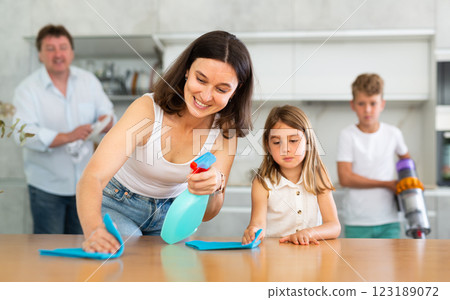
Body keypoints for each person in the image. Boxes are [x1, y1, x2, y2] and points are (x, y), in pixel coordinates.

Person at [76, 30, 254, 253]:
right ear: (187, 70)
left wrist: (215, 187)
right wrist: (94, 230)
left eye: (221, 89)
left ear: (236, 91)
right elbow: (93, 177)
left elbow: (208, 213)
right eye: (201, 79)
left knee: (172, 270)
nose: (206, 96)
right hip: (119, 204)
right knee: (127, 260)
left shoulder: (226, 130)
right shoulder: (148, 111)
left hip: (173, 215)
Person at [12, 24, 114, 234]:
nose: (58, 54)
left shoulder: (89, 81)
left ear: (72, 52)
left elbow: (109, 113)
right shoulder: (27, 89)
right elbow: (21, 134)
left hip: (86, 187)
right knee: (50, 254)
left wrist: (107, 121)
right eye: (50, 48)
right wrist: (67, 136)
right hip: (46, 188)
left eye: (63, 47)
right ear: (40, 54)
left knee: (84, 246)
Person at [242, 105, 340, 246]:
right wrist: (253, 231)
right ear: (268, 146)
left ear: (308, 141)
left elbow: (334, 226)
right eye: (277, 142)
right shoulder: (261, 182)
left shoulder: (319, 176)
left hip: (310, 256)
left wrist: (309, 233)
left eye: (293, 141)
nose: (285, 149)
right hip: (274, 256)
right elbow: (258, 224)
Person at [336, 73, 410, 239]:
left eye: (373, 103)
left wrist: (406, 180)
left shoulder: (393, 133)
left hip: (389, 220)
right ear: (353, 105)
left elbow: (407, 161)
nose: (367, 109)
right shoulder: (347, 135)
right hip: (357, 222)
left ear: (382, 104)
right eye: (362, 103)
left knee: (391, 266)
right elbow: (345, 178)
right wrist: (386, 184)